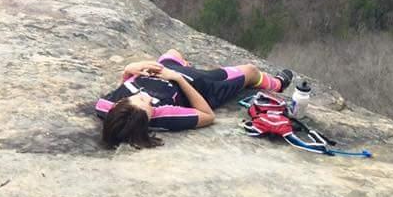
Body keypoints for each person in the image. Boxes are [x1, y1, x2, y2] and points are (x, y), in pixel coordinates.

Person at [97, 48, 293, 149]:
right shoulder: (164, 115)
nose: (146, 98)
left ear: (120, 103)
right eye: (148, 106)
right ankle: (276, 84)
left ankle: (185, 64)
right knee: (249, 71)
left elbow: (122, 86)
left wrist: (128, 70)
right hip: (202, 85)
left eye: (139, 98)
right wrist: (179, 79)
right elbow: (207, 115)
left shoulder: (107, 107)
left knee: (172, 53)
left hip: (166, 70)